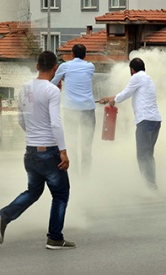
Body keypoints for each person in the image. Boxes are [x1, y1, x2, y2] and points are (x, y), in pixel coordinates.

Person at [0, 51, 75, 250]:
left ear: (37, 66)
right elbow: (55, 123)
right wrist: (63, 151)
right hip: (49, 151)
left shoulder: (24, 89)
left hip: (30, 151)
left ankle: (4, 216)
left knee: (33, 191)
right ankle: (55, 237)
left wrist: (34, 137)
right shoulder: (52, 91)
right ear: (55, 69)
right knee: (61, 194)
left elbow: (21, 119)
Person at [99, 57, 162, 190]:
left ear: (132, 70)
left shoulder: (136, 77)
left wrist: (114, 100)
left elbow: (125, 93)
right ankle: (152, 183)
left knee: (142, 155)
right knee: (149, 154)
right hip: (155, 120)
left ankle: (150, 186)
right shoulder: (147, 79)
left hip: (145, 120)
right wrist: (111, 98)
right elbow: (126, 93)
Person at [51, 44, 96, 177]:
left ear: (72, 54)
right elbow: (83, 78)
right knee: (86, 145)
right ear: (85, 55)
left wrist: (64, 77)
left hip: (71, 108)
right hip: (88, 108)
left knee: (71, 142)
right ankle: (86, 175)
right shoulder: (90, 66)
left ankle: (74, 174)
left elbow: (53, 83)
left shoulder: (65, 66)